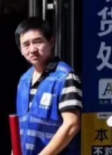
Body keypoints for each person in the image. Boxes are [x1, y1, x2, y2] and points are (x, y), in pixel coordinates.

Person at [15, 17, 81, 155]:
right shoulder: (24, 81)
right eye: (26, 44)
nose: (32, 49)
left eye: (37, 42)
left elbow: (72, 125)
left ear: (51, 42)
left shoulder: (65, 77)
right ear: (20, 49)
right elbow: (22, 129)